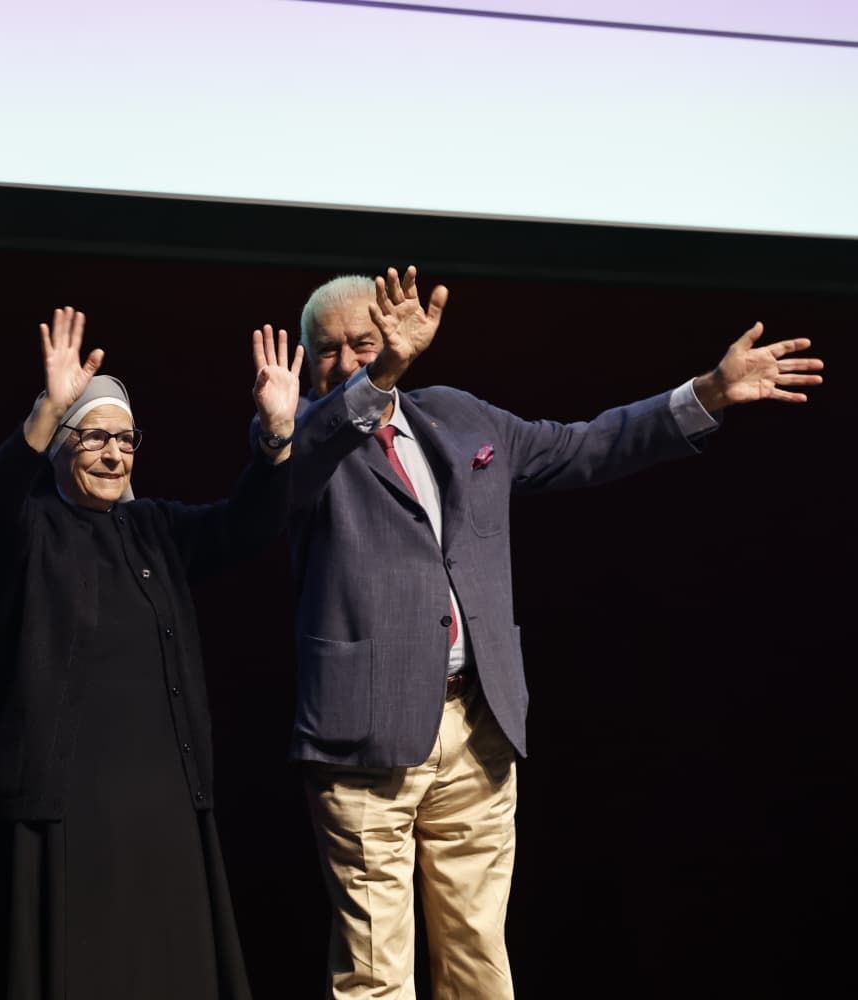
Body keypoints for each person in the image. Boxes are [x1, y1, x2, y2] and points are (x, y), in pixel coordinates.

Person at [287, 266, 825, 999]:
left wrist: (706, 391)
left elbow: (584, 446)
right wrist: (379, 374)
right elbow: (287, 452)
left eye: (364, 343)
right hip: (365, 733)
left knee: (478, 953)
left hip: (477, 725)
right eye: (328, 349)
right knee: (376, 971)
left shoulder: (458, 415)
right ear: (305, 359)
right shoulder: (301, 440)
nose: (347, 360)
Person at [0, 308, 303, 1000]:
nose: (115, 455)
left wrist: (275, 438)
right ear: (61, 446)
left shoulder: (155, 529)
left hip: (160, 794)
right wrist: (48, 408)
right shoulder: (31, 529)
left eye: (125, 439)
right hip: (68, 798)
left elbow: (249, 526)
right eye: (94, 438)